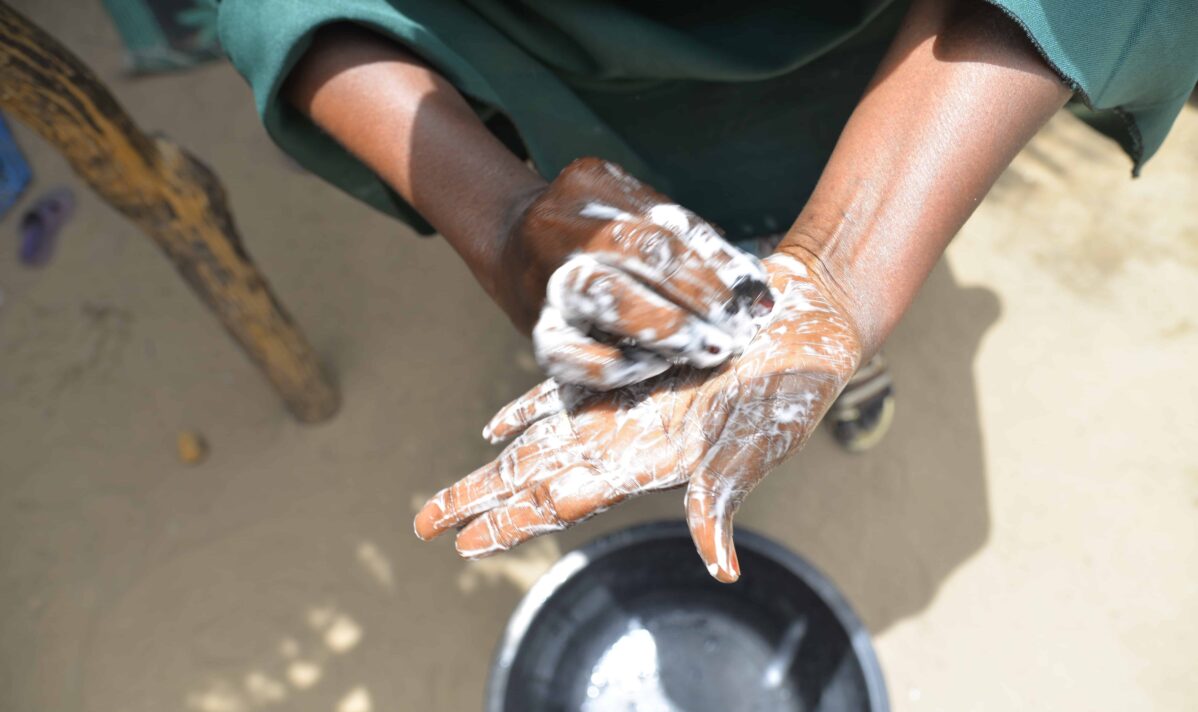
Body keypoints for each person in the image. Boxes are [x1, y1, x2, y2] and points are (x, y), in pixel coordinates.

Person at [216, 0, 1197, 581]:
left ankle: (829, 336)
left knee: (823, 235)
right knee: (628, 225)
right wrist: (502, 218)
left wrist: (841, 277)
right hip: (547, 49)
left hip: (870, 56)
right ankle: (732, 318)